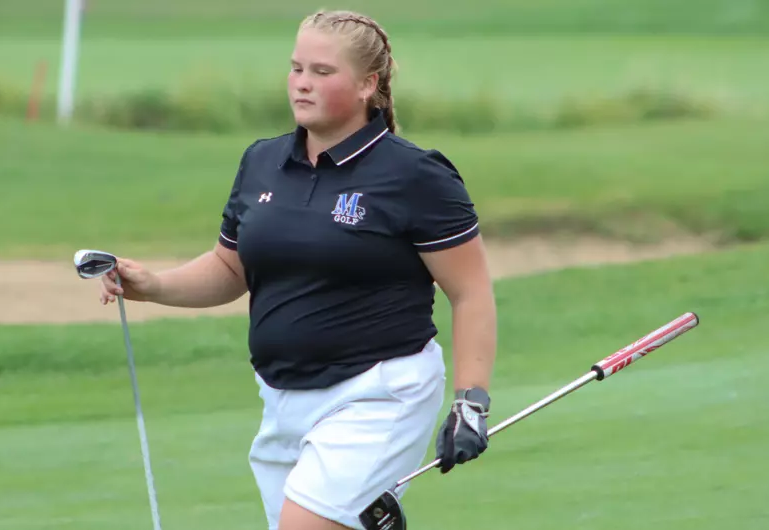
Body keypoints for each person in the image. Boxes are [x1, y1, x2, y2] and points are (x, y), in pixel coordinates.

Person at [96, 9, 497, 530]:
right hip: (281, 398)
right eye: (296, 68)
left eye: (322, 72)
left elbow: (471, 292)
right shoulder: (262, 161)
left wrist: (471, 402)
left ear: (367, 84)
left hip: (377, 392)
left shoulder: (415, 175)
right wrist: (152, 285)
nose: (302, 84)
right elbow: (229, 267)